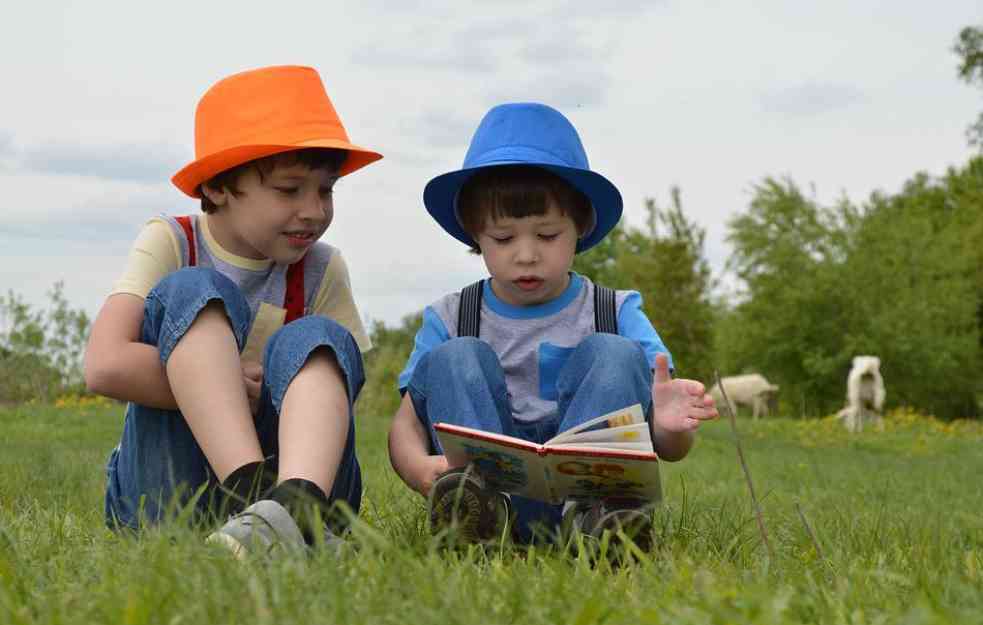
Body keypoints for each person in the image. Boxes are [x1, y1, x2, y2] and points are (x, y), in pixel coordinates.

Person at [387, 102, 718, 545]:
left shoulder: (615, 311)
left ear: (579, 225)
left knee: (615, 352)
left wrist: (670, 430)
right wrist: (418, 468)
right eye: (503, 238)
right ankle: (473, 517)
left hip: (589, 493)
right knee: (455, 356)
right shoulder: (450, 317)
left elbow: (668, 446)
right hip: (487, 489)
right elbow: (406, 424)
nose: (526, 254)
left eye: (547, 235)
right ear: (475, 234)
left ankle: (600, 523)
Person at [84, 65, 382, 555]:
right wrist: (219, 384)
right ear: (219, 186)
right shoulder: (173, 241)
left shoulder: (322, 268)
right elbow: (105, 365)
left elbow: (339, 386)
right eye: (290, 190)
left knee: (317, 338)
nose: (314, 210)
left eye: (326, 190)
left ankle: (297, 508)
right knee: (193, 289)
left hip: (298, 473)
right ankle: (257, 500)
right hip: (171, 493)